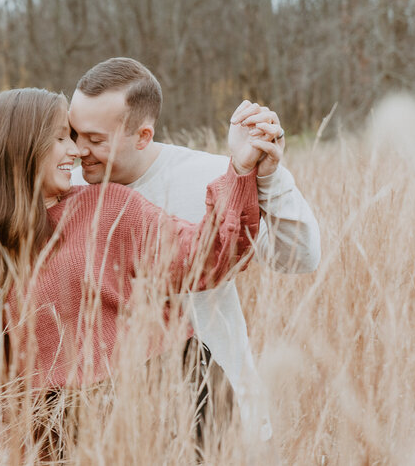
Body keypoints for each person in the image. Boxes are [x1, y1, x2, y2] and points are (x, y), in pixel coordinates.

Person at [0, 88, 273, 460]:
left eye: (72, 137)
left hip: (172, 391)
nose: (75, 150)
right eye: (59, 138)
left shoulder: (107, 206)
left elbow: (207, 256)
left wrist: (242, 169)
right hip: (61, 424)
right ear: (19, 147)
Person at [69, 57, 321, 445]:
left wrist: (267, 176)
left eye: (96, 140)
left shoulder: (213, 177)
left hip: (219, 418)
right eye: (73, 134)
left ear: (142, 135)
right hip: (115, 432)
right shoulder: (61, 187)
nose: (79, 150)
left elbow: (299, 258)